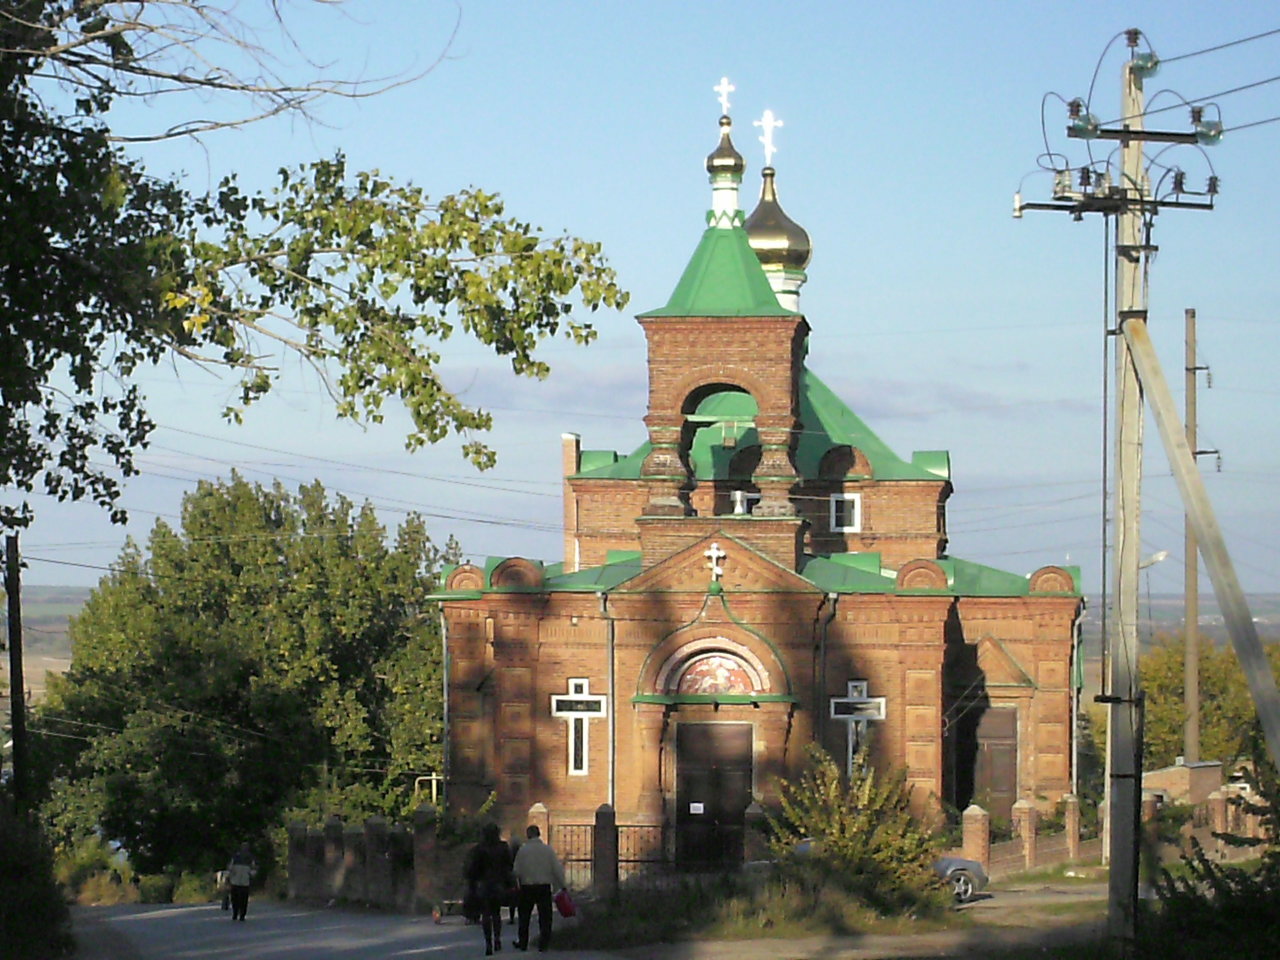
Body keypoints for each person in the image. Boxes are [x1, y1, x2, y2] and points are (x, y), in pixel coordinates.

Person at [511, 824, 566, 953]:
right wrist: (562, 886)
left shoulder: (523, 851)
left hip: (527, 887)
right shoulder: (548, 850)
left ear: (528, 835)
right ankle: (544, 943)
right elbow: (556, 869)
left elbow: (516, 871)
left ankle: (523, 942)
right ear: (539, 834)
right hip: (544, 887)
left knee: (524, 917)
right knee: (545, 917)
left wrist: (516, 884)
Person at [465, 823, 515, 956]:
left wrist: (472, 884)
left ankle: (488, 943)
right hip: (498, 884)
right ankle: (497, 939)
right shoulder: (503, 847)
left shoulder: (479, 849)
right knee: (496, 913)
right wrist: (509, 883)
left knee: (486, 914)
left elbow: (473, 869)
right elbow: (509, 866)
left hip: (484, 885)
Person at [226, 843, 257, 921]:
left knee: (235, 899)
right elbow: (253, 870)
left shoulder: (236, 857)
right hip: (243, 881)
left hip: (236, 881)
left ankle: (236, 913)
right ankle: (241, 914)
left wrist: (229, 876)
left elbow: (230, 868)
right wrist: (251, 875)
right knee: (243, 899)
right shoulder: (250, 858)